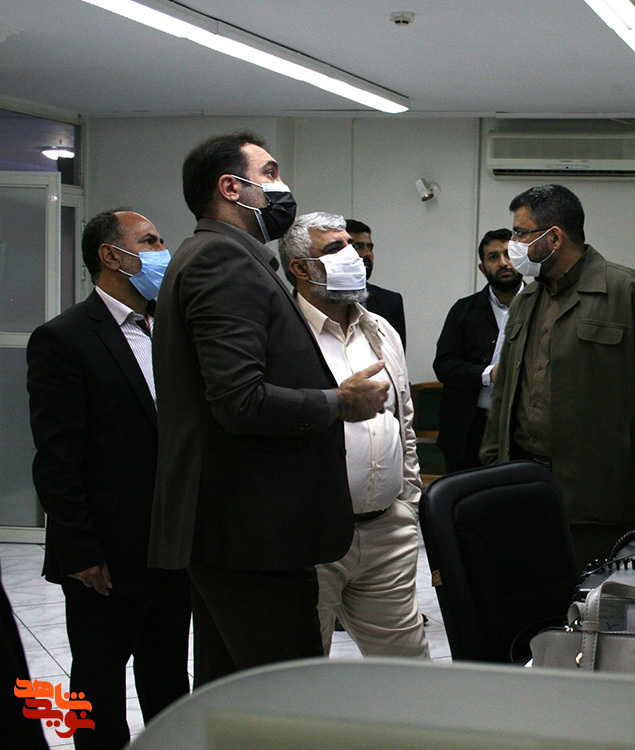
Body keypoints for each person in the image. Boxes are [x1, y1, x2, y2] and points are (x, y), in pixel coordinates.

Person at [149, 132, 390, 686]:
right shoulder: (221, 261)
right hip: (250, 532)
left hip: (238, 530)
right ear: (232, 188)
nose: (283, 187)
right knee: (285, 695)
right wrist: (339, 402)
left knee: (232, 692)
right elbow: (239, 400)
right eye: (271, 173)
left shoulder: (230, 258)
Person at [27, 209, 190, 749]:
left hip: (170, 543)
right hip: (106, 551)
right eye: (150, 241)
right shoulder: (65, 338)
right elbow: (57, 457)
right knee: (97, 679)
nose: (163, 251)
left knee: (167, 673)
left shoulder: (170, 328)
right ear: (111, 255)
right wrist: (79, 550)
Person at [481, 185, 635, 569]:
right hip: (523, 487)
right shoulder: (527, 301)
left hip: (598, 499)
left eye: (520, 233)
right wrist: (490, 472)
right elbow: (505, 397)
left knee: (591, 597)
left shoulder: (628, 293)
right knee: (530, 592)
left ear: (554, 238)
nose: (513, 244)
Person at [278, 213, 429, 658]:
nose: (354, 256)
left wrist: (408, 503)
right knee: (305, 665)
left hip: (386, 529)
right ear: (300, 268)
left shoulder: (379, 328)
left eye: (353, 245)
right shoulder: (281, 334)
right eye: (335, 249)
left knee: (408, 665)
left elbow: (403, 422)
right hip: (312, 539)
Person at [433, 228, 524, 473]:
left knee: (515, 493)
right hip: (468, 430)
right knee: (466, 494)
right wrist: (489, 374)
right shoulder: (463, 311)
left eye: (509, 254)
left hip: (522, 429)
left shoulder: (543, 306)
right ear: (483, 269)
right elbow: (444, 366)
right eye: (493, 257)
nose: (503, 263)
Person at [346, 219, 407, 350]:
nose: (367, 254)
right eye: (358, 247)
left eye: (370, 247)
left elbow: (398, 353)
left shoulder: (391, 301)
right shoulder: (324, 299)